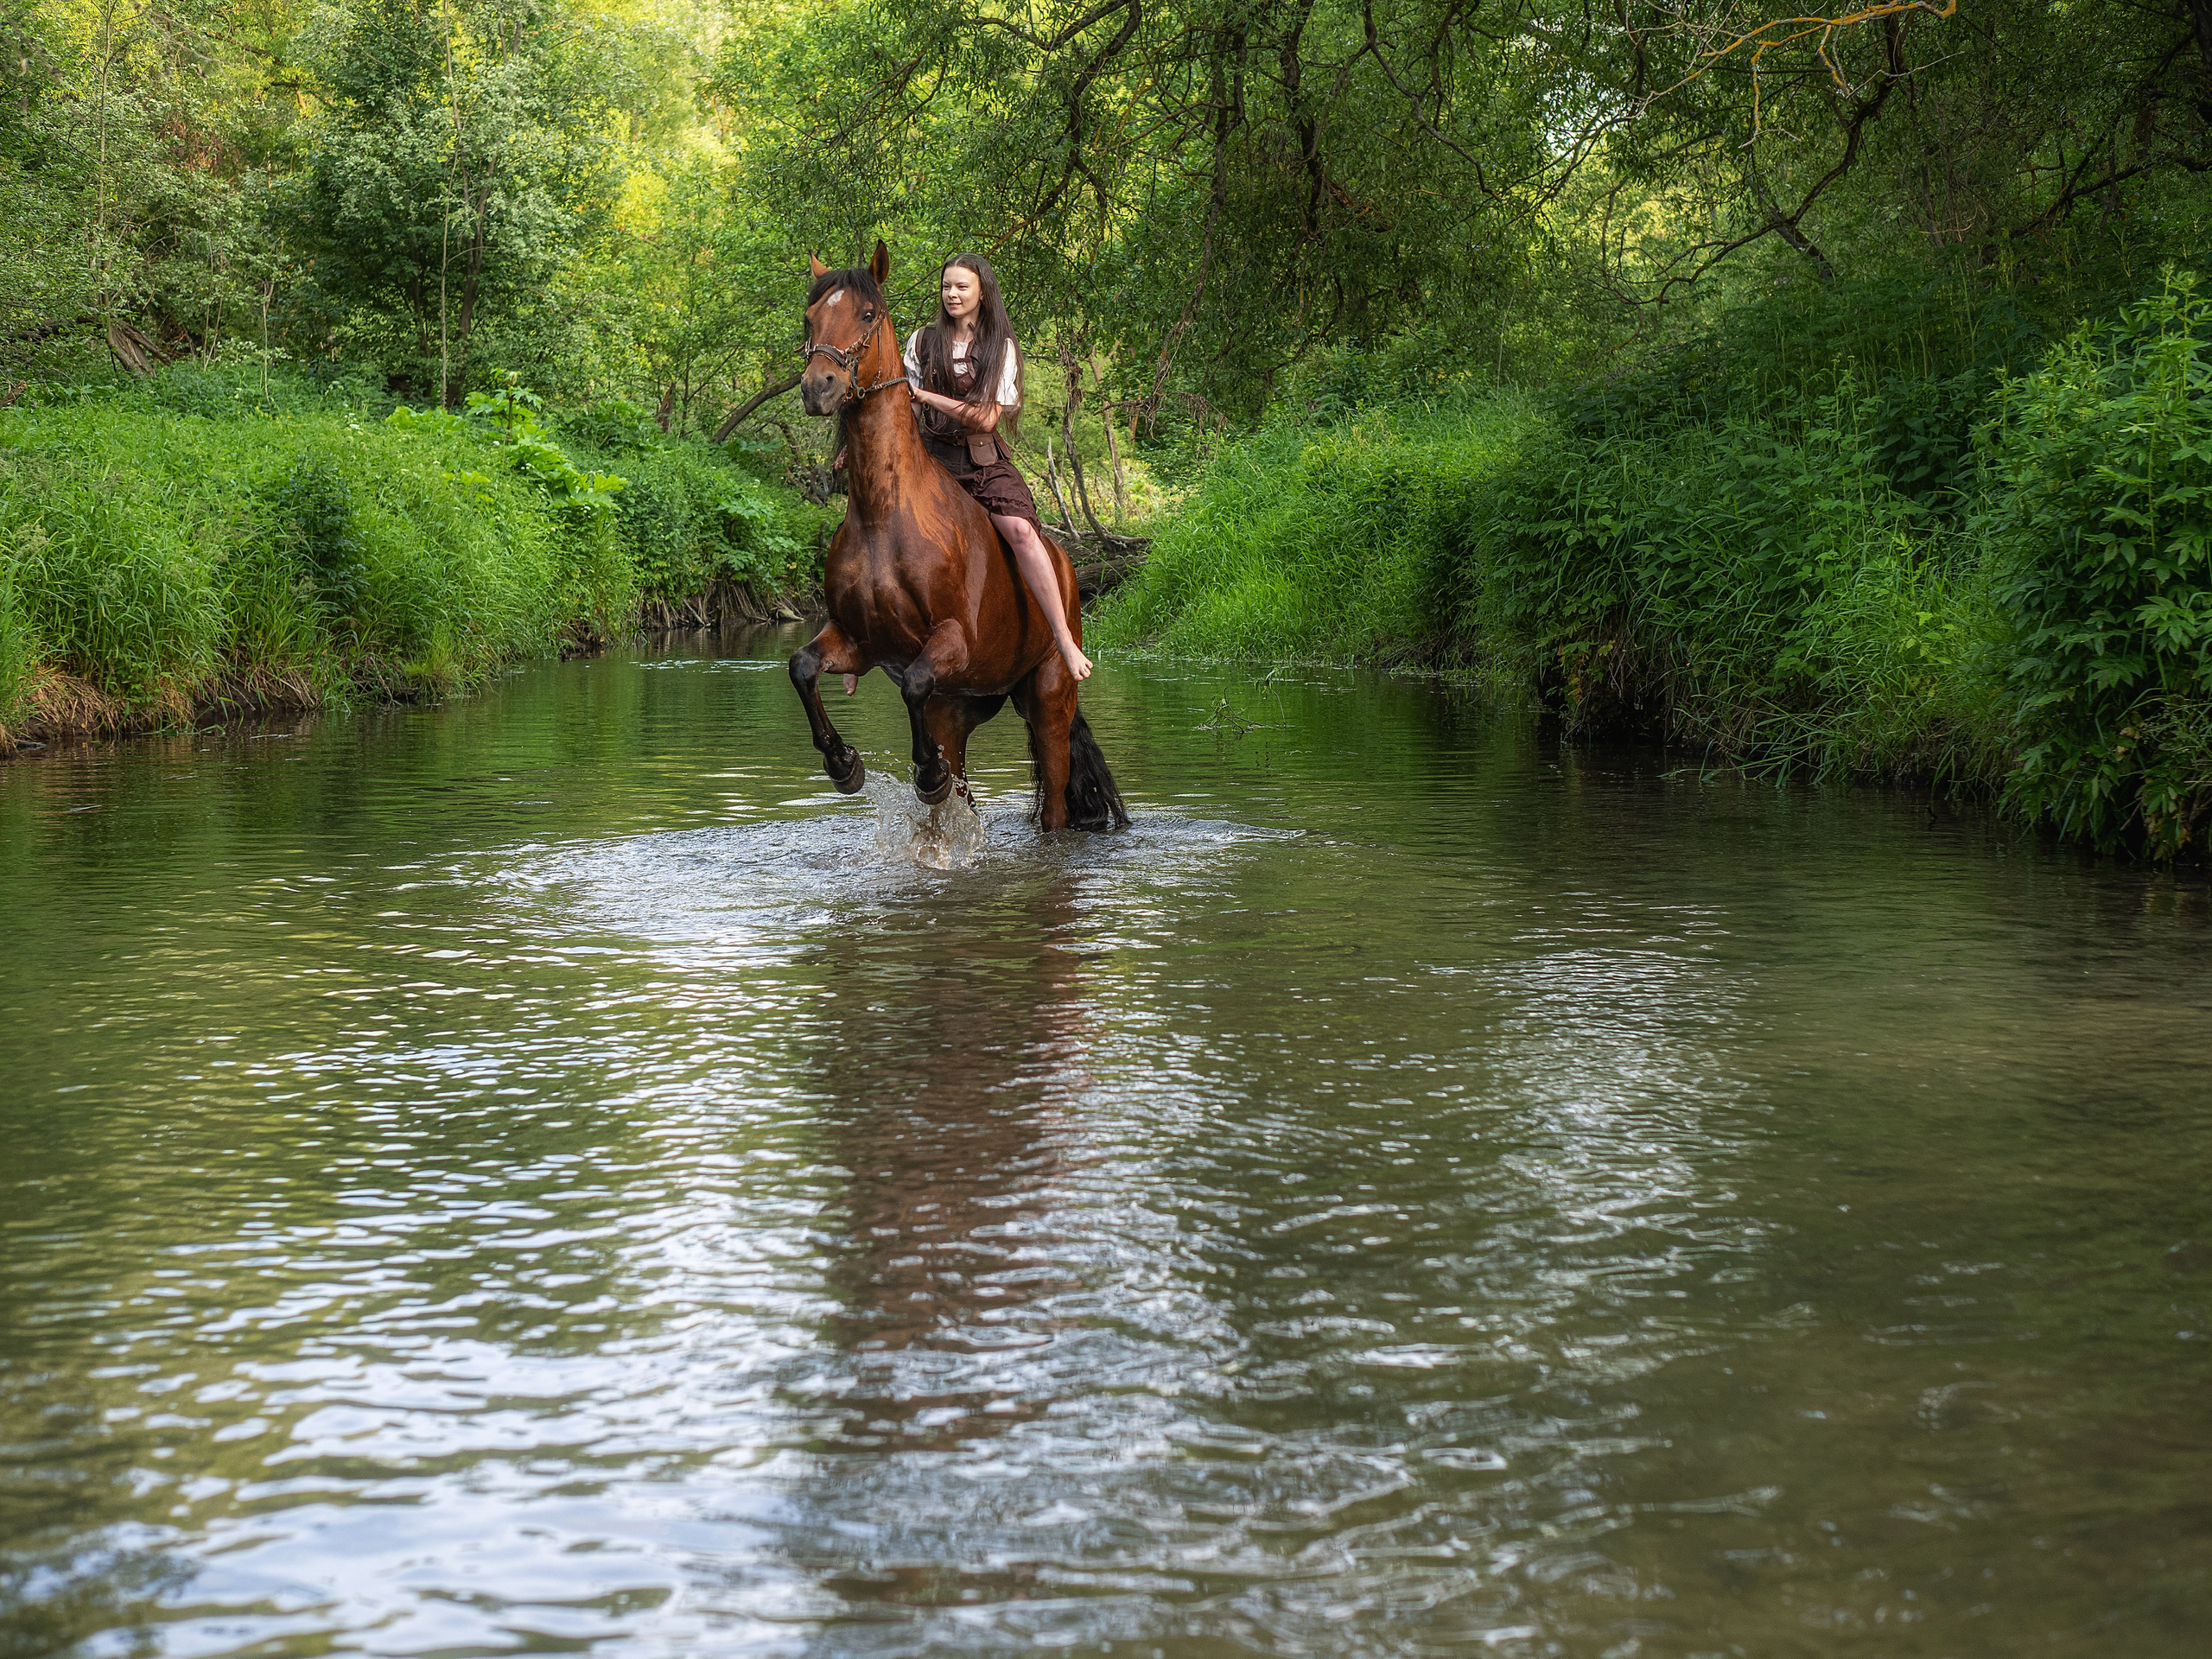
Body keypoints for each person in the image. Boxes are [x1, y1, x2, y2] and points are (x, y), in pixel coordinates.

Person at [901, 255, 1092, 682]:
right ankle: (859, 646)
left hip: (980, 460)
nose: (952, 294)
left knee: (1023, 533)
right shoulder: (920, 341)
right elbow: (902, 411)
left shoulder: (998, 346)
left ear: (981, 293)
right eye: (947, 286)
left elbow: (987, 418)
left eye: (961, 287)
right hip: (931, 458)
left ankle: (1062, 636)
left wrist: (927, 397)